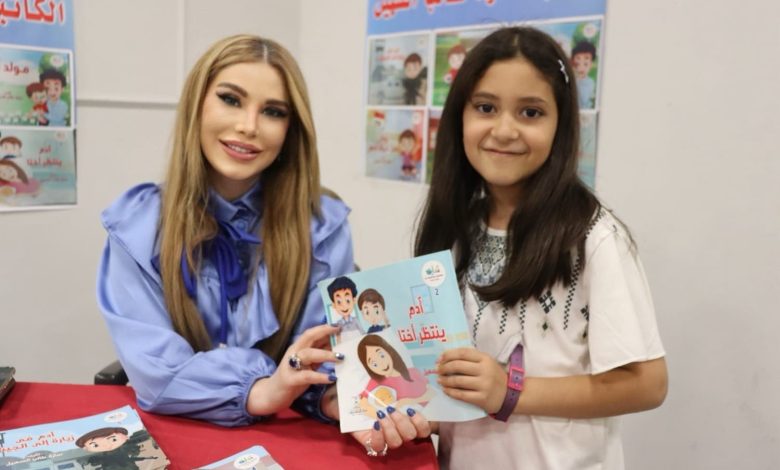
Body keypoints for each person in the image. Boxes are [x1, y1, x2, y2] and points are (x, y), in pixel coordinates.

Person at [96, 34, 428, 459]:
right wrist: (262, 389)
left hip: (283, 441)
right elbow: (156, 371)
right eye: (231, 100)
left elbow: (324, 353)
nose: (249, 126)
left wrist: (341, 400)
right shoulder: (138, 226)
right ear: (197, 105)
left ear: (291, 130)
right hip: (171, 438)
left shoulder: (322, 227)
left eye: (273, 111)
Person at [412, 27, 667, 469]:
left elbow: (647, 383)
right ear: (459, 117)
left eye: (530, 112)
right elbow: (453, 379)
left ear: (560, 125)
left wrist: (510, 391)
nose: (504, 130)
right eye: (485, 108)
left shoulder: (593, 237)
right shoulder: (455, 229)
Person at [357, 334, 434, 419]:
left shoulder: (413, 372)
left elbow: (432, 392)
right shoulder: (375, 382)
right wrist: (385, 417)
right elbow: (362, 403)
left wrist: (408, 401)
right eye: (374, 363)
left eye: (382, 355)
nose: (382, 364)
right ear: (368, 367)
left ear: (389, 351)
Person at [327, 276, 365, 343]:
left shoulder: (355, 320)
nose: (344, 306)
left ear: (354, 300)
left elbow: (363, 333)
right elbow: (338, 340)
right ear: (334, 305)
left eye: (348, 301)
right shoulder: (338, 324)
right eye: (339, 302)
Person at [571, 40, 597, 109]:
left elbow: (584, 100)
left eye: (585, 64)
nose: (581, 68)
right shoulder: (570, 80)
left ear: (591, 64)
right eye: (578, 64)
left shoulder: (591, 83)